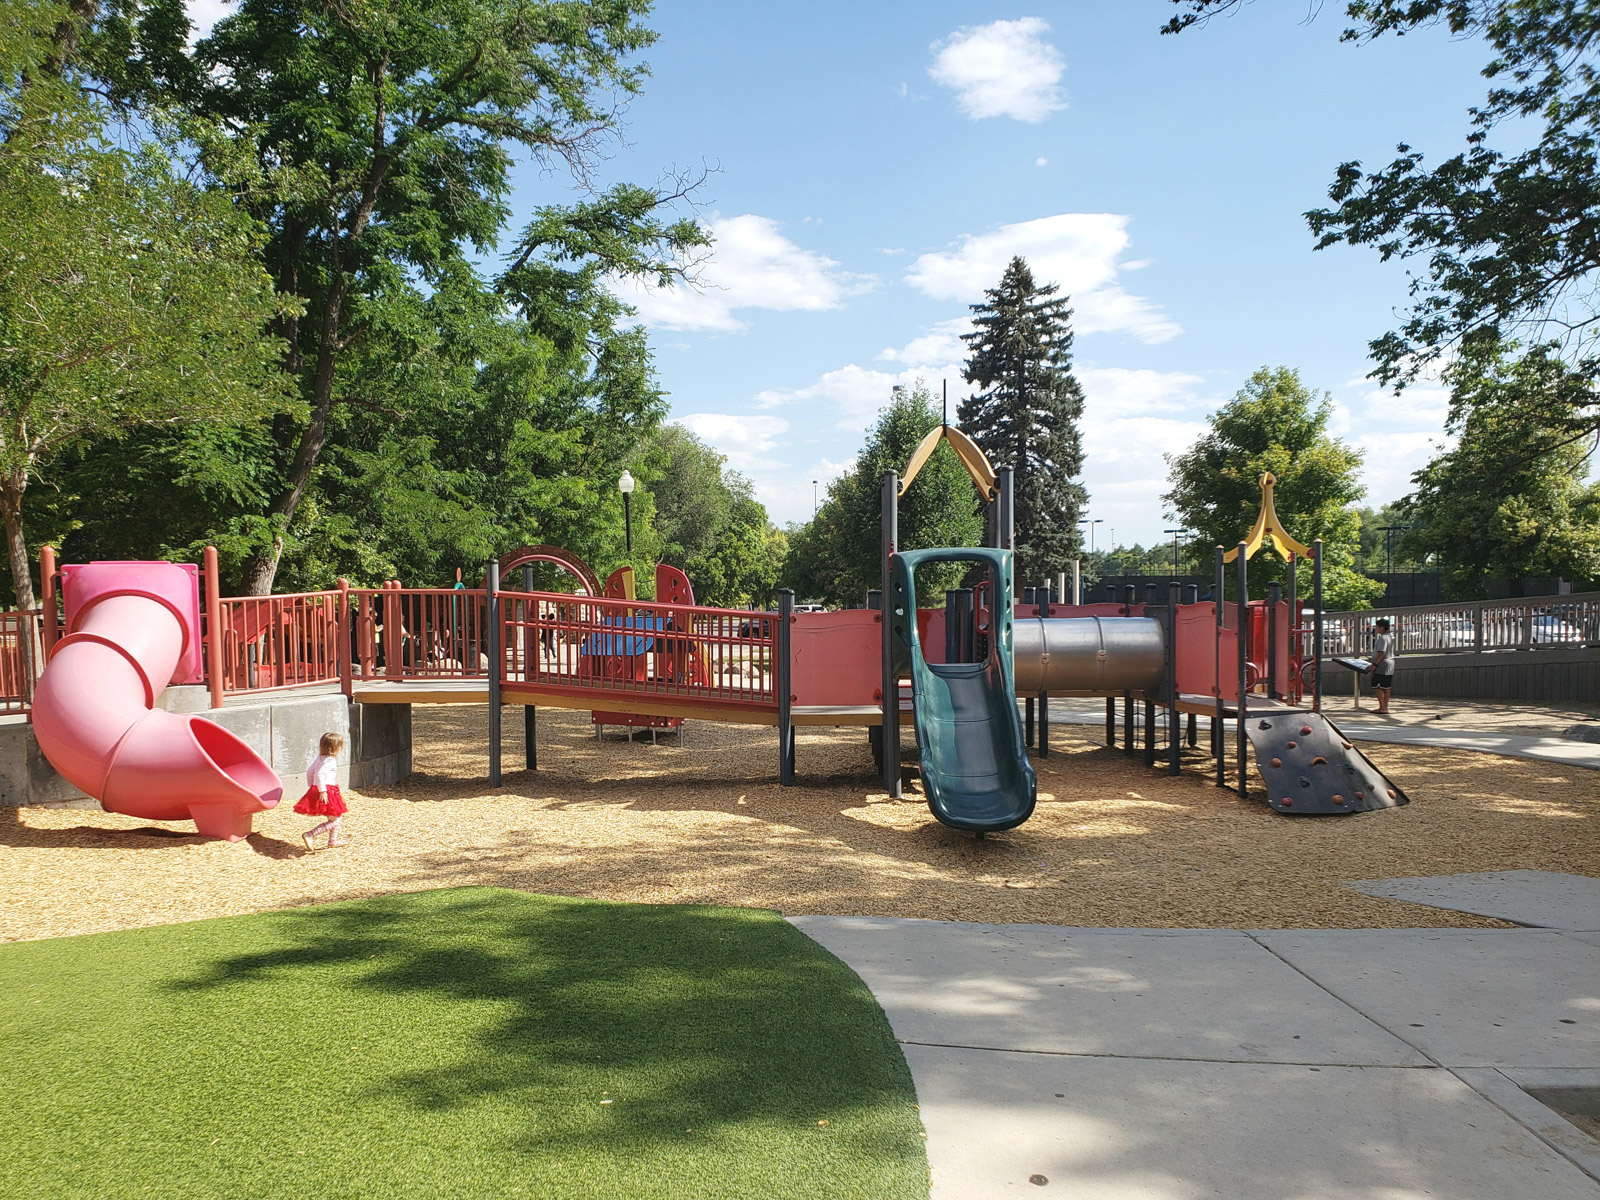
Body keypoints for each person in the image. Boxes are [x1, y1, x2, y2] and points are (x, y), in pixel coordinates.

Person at [295, 732, 349, 850]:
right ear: (334, 748)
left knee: (334, 817)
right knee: (336, 819)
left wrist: (313, 787)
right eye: (339, 746)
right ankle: (310, 834)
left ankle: (332, 841)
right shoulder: (330, 761)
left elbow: (310, 772)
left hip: (319, 788)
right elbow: (319, 774)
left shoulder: (320, 758)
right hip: (327, 790)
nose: (340, 748)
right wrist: (322, 790)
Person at [1370, 618, 1398, 714]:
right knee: (1386, 686)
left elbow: (1382, 653)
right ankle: (1385, 706)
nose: (1376, 629)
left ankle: (1382, 707)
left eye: (1377, 627)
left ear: (1381, 627)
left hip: (1382, 664)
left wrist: (1374, 664)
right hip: (1390, 662)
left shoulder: (1383, 638)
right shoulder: (1390, 636)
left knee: (1378, 686)